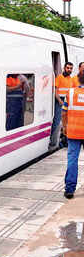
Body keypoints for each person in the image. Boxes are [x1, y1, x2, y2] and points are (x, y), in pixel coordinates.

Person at [61, 71, 84, 199]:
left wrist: (65, 127)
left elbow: (64, 113)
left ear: (78, 80)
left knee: (72, 160)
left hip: (74, 131)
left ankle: (69, 190)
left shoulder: (70, 93)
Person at [50, 62, 74, 149]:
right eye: (68, 68)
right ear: (64, 68)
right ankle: (53, 143)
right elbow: (55, 91)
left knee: (65, 123)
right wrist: (60, 101)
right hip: (60, 101)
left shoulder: (71, 79)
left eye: (71, 68)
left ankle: (62, 141)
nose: (69, 70)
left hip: (67, 102)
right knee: (57, 122)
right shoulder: (59, 77)